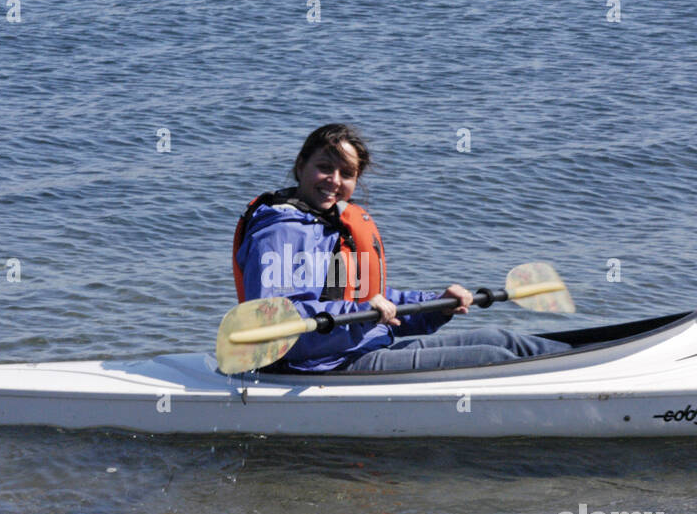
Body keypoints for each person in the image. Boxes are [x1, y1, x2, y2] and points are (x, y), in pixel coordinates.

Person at [232, 124, 570, 372]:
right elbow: (277, 320)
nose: (335, 180)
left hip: (364, 348)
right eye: (324, 167)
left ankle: (596, 357)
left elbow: (358, 298)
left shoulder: (330, 226)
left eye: (346, 173)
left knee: (504, 340)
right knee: (495, 360)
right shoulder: (279, 233)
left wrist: (437, 304)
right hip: (324, 367)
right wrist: (360, 315)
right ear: (301, 165)